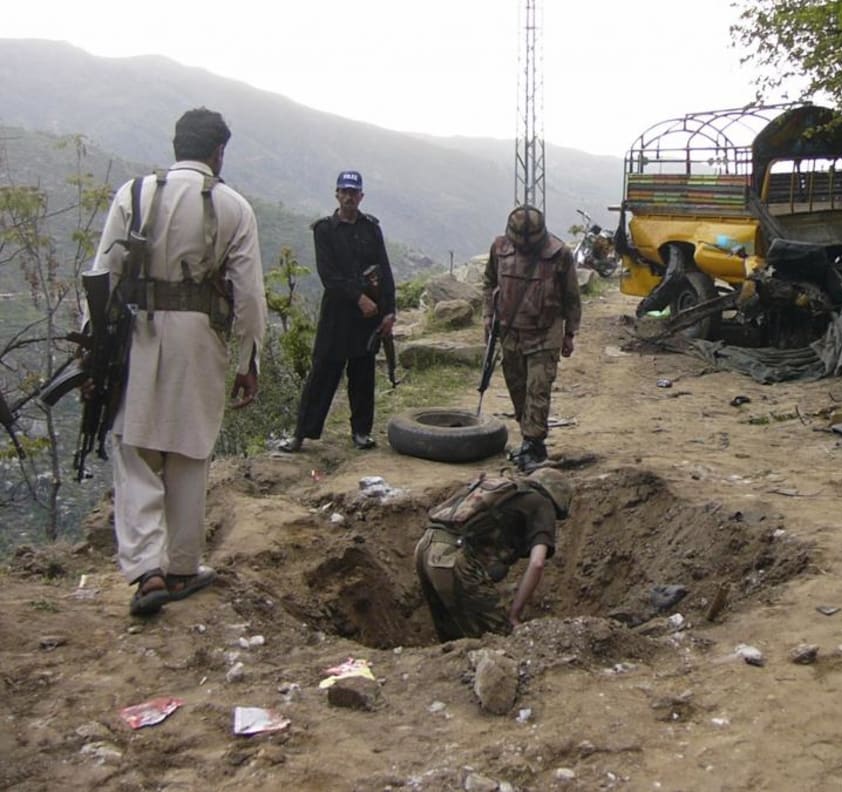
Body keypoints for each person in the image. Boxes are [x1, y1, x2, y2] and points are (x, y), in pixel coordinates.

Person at [87, 107, 267, 617]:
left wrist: (95, 351)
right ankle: (184, 565)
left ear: (176, 145)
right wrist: (248, 360)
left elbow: (102, 274)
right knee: (191, 447)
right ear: (218, 152)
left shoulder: (135, 194)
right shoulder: (233, 207)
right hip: (200, 337)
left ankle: (148, 571)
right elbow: (249, 294)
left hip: (137, 333)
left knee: (136, 444)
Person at [279, 170, 396, 452]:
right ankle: (301, 434)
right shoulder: (324, 230)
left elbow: (385, 269)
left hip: (367, 317)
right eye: (344, 192)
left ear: (361, 196)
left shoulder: (371, 228)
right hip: (337, 314)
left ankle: (361, 432)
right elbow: (329, 277)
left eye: (354, 192)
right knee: (322, 373)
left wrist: (389, 311)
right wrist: (358, 298)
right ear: (336, 194)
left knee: (363, 374)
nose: (348, 197)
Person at [414, 467, 573, 641]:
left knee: (453, 639)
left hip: (425, 546)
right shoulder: (543, 503)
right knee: (501, 639)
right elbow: (537, 563)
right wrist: (514, 614)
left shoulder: (508, 490)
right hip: (452, 556)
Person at [483, 205, 581, 471]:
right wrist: (487, 316)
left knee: (538, 389)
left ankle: (533, 442)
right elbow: (489, 283)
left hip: (545, 334)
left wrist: (570, 333)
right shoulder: (499, 248)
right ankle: (529, 436)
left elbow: (571, 296)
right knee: (518, 389)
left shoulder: (559, 254)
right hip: (511, 333)